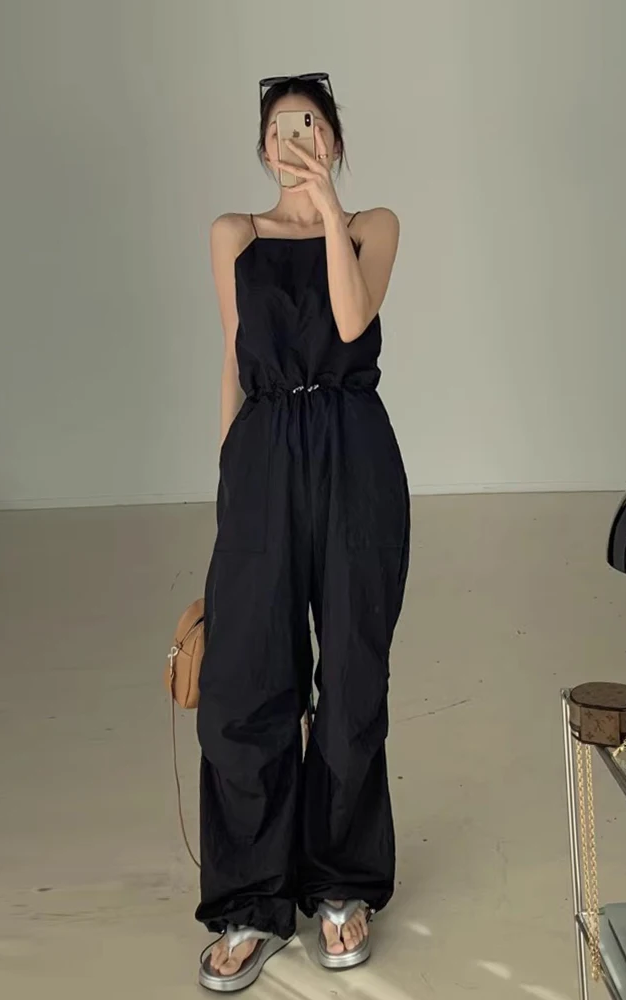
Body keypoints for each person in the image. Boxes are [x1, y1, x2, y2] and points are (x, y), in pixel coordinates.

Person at [196, 73, 410, 992]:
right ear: (261, 145)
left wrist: (325, 209)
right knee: (244, 678)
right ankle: (251, 898)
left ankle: (340, 883)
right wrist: (230, 479)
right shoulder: (233, 234)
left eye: (312, 125)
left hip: (354, 450)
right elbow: (233, 354)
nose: (295, 139)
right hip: (264, 452)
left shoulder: (370, 227)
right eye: (281, 128)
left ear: (335, 140)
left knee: (353, 673)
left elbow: (352, 319)